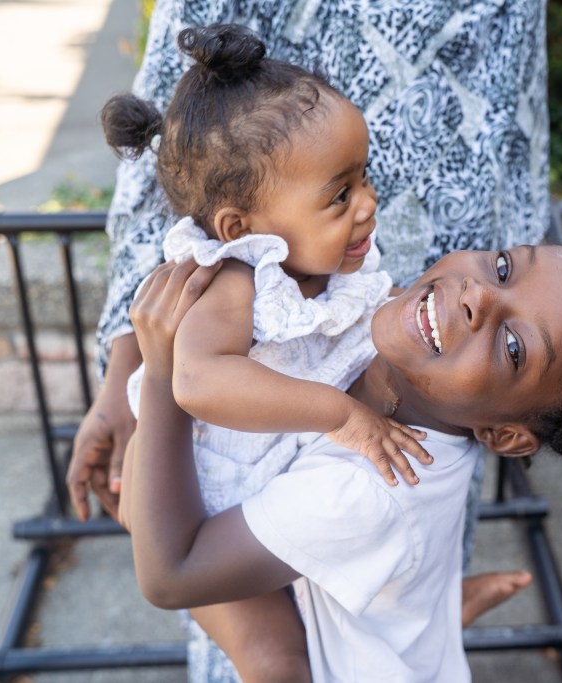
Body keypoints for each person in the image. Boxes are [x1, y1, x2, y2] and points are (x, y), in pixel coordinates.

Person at [123, 242, 562, 683]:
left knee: (273, 663)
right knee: (405, 595)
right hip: (395, 565)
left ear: (503, 435)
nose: (479, 295)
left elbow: (172, 574)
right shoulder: (420, 355)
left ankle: (412, 628)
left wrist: (163, 377)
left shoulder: (368, 491)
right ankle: (428, 615)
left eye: (513, 347)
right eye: (505, 268)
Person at [101, 23, 451, 681]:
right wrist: (341, 415)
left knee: (349, 619)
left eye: (363, 177)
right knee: (277, 659)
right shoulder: (234, 280)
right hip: (200, 504)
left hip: (275, 489)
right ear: (242, 226)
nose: (369, 205)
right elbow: (198, 381)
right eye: (340, 194)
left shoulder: (328, 262)